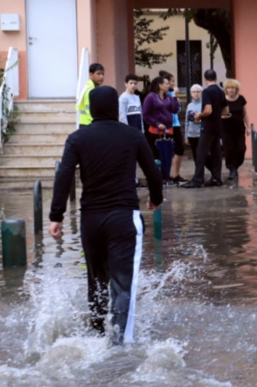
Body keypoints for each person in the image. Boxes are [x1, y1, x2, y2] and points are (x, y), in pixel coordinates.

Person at [49, 86, 163, 345]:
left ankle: (96, 337)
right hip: (124, 218)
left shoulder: (77, 138)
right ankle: (121, 345)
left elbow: (64, 175)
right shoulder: (132, 136)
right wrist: (156, 198)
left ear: (91, 109)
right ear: (115, 108)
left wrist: (56, 216)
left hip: (90, 221)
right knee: (124, 284)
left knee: (97, 280)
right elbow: (154, 173)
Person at [182, 69, 229, 188]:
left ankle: (198, 179)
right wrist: (217, 116)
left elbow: (208, 110)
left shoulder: (207, 92)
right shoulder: (220, 91)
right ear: (216, 78)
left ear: (204, 79)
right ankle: (216, 178)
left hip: (207, 127)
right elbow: (226, 111)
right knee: (216, 153)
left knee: (200, 153)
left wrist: (199, 116)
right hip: (218, 126)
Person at [142, 76, 180, 181]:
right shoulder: (151, 97)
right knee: (157, 154)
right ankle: (156, 177)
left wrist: (175, 98)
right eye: (166, 83)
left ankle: (166, 176)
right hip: (155, 131)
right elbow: (145, 114)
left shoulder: (168, 97)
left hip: (168, 130)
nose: (169, 85)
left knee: (168, 154)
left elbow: (174, 110)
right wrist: (156, 123)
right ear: (160, 85)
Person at [159, 71, 187, 184]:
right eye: (172, 81)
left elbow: (177, 110)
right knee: (166, 150)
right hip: (167, 125)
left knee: (179, 149)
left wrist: (176, 99)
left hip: (176, 124)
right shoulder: (164, 95)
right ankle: (165, 175)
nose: (173, 83)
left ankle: (175, 174)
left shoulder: (172, 95)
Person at [223, 79, 251, 181]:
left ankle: (236, 166)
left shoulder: (241, 99)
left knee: (241, 149)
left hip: (239, 129)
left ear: (236, 89)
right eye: (229, 88)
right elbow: (218, 113)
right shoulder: (223, 99)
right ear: (226, 89)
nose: (231, 90)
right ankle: (232, 169)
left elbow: (245, 114)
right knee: (229, 150)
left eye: (233, 88)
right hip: (226, 129)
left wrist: (248, 127)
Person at [185, 84, 212, 173]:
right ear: (191, 93)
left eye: (198, 92)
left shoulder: (204, 105)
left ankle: (212, 171)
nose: (196, 94)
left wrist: (200, 121)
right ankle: (198, 174)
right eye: (194, 92)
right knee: (196, 156)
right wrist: (186, 136)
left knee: (204, 155)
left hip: (202, 133)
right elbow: (186, 122)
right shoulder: (189, 105)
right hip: (192, 134)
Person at [76, 63, 105, 127]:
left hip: (87, 124)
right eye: (98, 74)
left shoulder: (90, 88)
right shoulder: (90, 90)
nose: (101, 77)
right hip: (89, 125)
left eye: (102, 74)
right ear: (91, 75)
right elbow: (89, 110)